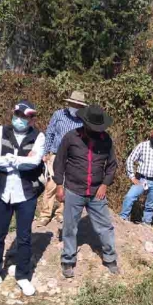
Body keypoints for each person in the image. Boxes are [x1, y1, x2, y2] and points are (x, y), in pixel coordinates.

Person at [0, 101, 46, 296]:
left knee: (24, 237)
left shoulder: (38, 136)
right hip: (3, 191)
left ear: (32, 119)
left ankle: (23, 276)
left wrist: (11, 159)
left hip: (26, 194)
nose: (21, 119)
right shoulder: (1, 131)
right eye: (18, 115)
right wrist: (19, 162)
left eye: (25, 117)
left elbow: (34, 163)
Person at [53, 104, 118, 278]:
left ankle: (110, 258)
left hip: (97, 192)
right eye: (93, 128)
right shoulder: (70, 138)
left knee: (105, 227)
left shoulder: (106, 140)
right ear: (85, 123)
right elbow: (59, 162)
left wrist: (105, 184)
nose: (97, 131)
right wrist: (59, 185)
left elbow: (112, 166)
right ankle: (68, 260)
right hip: (74, 189)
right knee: (69, 227)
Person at [38, 91, 88, 227]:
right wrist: (46, 152)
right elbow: (50, 133)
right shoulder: (58, 115)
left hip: (72, 157)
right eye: (74, 104)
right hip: (55, 154)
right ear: (69, 103)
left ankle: (60, 213)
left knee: (67, 186)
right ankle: (45, 214)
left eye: (78, 105)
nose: (75, 107)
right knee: (52, 185)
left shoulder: (83, 121)